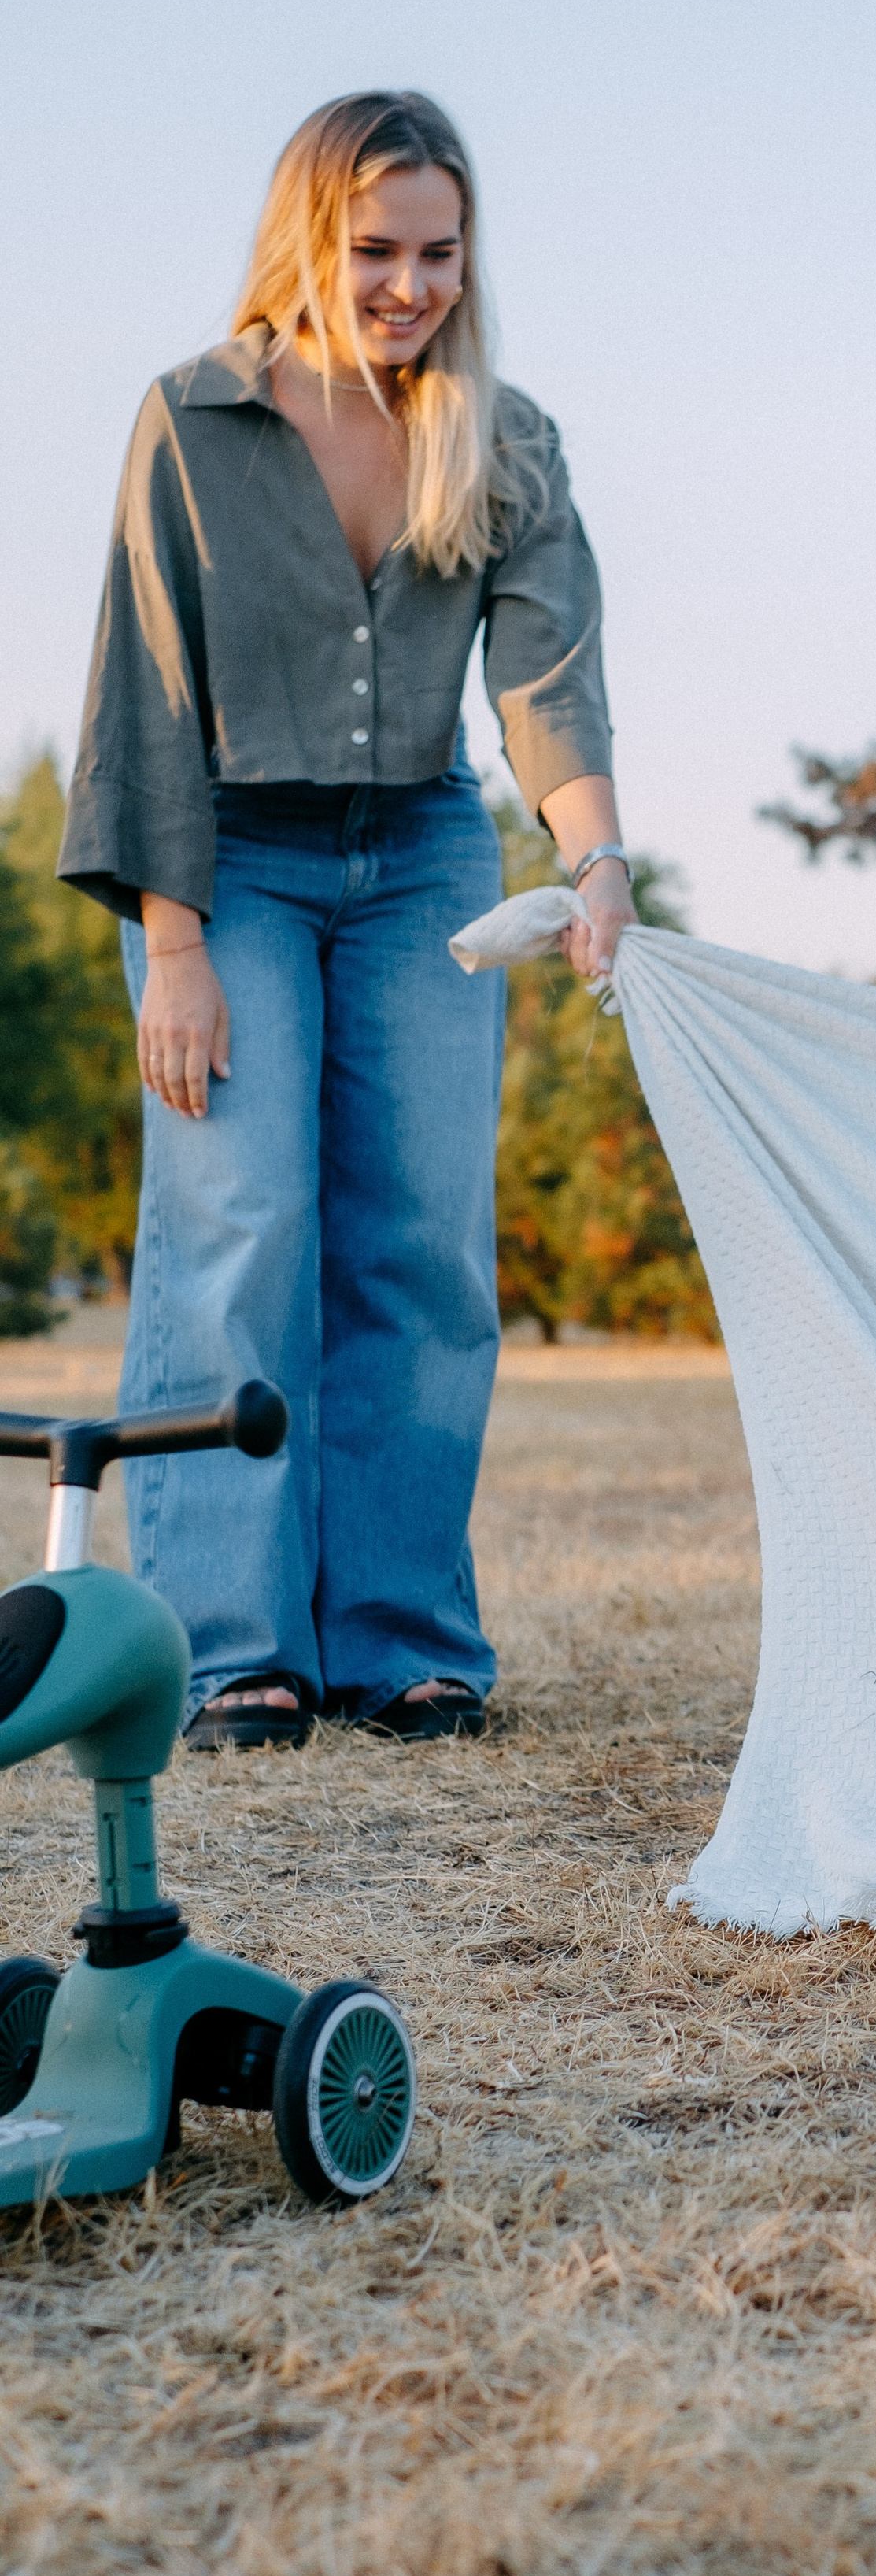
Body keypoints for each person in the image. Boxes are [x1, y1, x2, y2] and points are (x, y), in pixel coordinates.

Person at [59, 91, 634, 1749]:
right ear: (308, 239)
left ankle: (400, 1636)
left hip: (427, 862)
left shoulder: (502, 436)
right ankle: (227, 1639)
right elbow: (149, 692)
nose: (408, 285)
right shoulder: (195, 417)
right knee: (241, 1229)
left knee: (425, 1244)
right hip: (226, 859)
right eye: (374, 250)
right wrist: (171, 944)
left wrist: (595, 863)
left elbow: (545, 676)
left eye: (437, 252)